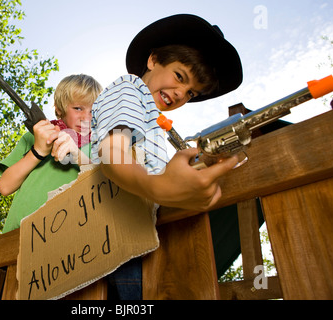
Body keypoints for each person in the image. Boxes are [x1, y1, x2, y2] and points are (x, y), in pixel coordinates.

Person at [89, 14, 243, 299]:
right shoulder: (130, 90)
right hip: (118, 235)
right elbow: (113, 152)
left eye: (191, 92)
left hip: (139, 233)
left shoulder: (152, 120)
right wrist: (159, 187)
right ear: (153, 60)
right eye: (179, 77)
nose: (181, 94)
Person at [0, 74, 102, 233]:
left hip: (66, 236)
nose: (86, 117)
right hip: (15, 234)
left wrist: (76, 154)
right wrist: (38, 151)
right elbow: (4, 187)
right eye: (78, 108)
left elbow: (106, 183)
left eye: (93, 110)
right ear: (60, 110)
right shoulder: (34, 137)